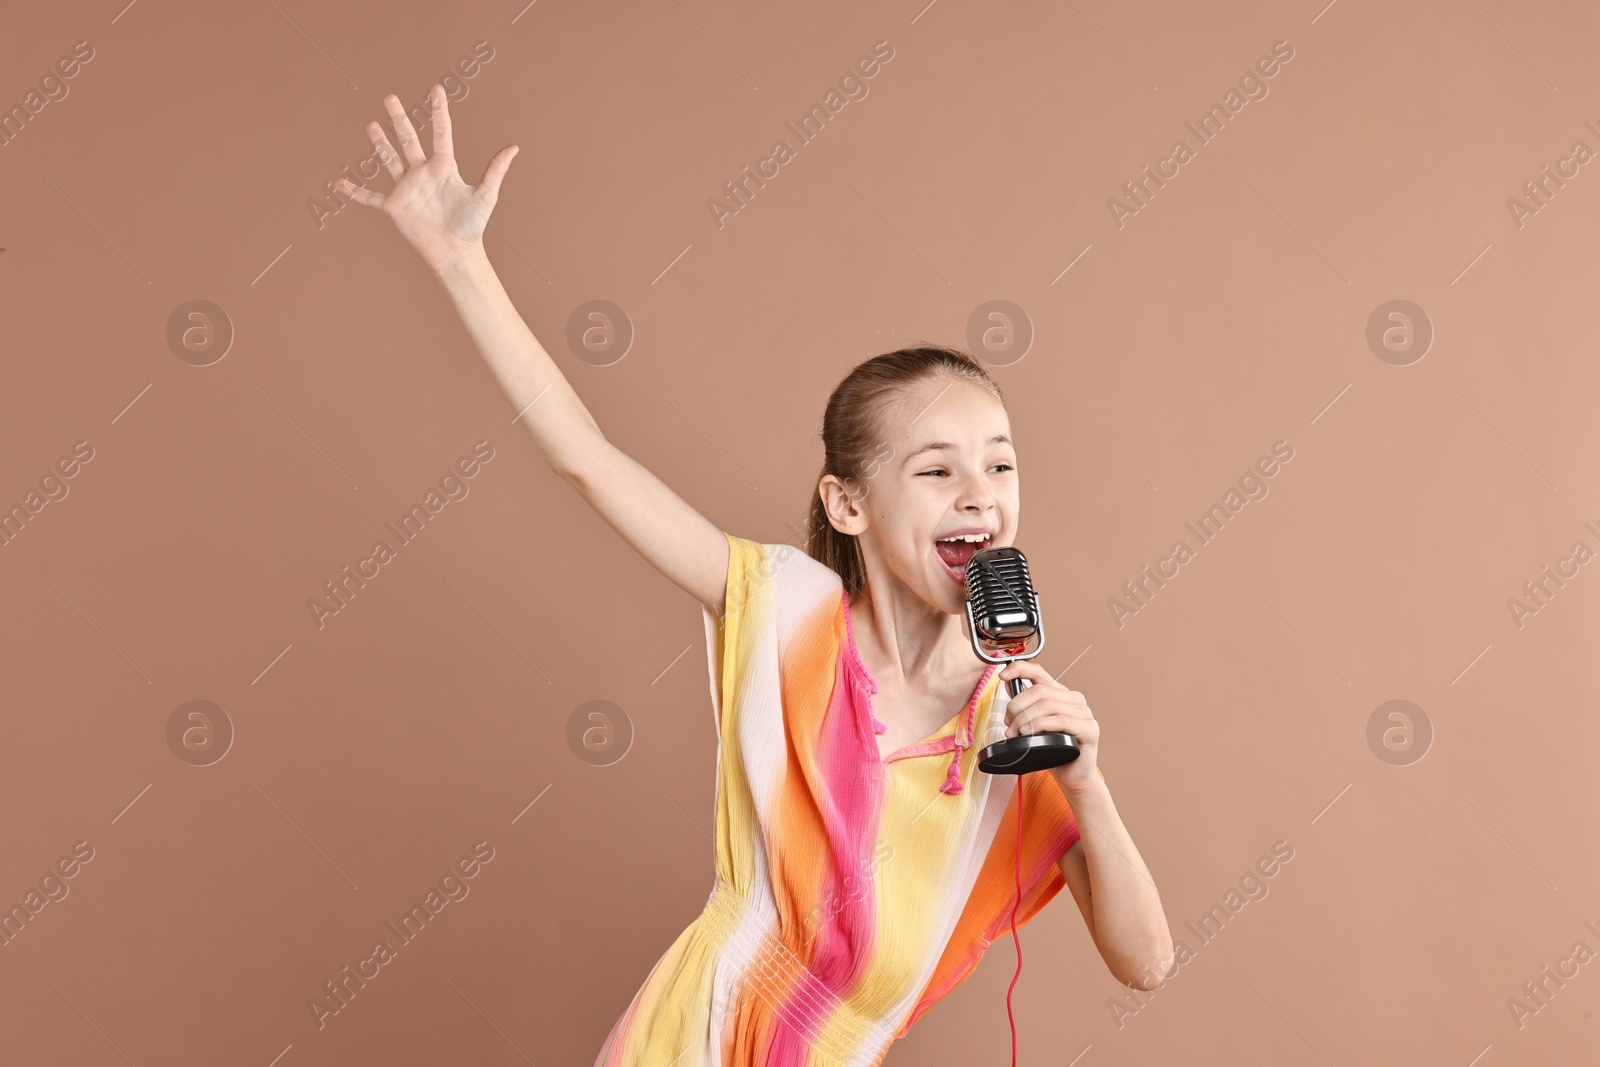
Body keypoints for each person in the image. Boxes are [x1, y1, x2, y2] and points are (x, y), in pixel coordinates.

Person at [338, 84, 1174, 1067]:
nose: (978, 493)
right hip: (682, 1042)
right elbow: (589, 459)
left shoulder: (1014, 736)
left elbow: (1146, 960)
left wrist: (1085, 778)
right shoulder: (787, 609)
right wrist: (461, 262)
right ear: (846, 504)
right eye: (936, 468)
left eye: (998, 463)